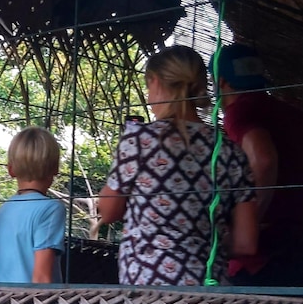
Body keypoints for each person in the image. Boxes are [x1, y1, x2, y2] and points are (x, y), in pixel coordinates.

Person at [97, 45, 258, 286]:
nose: (149, 97)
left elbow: (109, 212)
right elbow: (246, 243)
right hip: (209, 292)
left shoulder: (139, 140)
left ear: (156, 82)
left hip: (148, 289)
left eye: (148, 86)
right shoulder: (229, 150)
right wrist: (196, 243)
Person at [212, 44, 303, 287]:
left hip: (262, 253)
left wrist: (246, 227)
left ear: (221, 82)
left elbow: (263, 159)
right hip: (301, 245)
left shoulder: (240, 111)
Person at [0, 126, 67, 283]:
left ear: (10, 170)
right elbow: (41, 278)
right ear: (55, 168)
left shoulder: (0, 212)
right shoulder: (51, 209)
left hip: (0, 303)